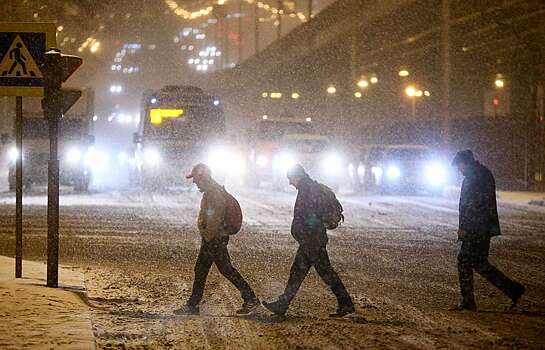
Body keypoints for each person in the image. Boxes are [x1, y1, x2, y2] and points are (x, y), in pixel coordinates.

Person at [263, 164, 355, 317]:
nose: (290, 183)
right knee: (314, 273)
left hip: (312, 241)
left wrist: (308, 232)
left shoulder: (308, 191)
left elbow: (311, 216)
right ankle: (345, 303)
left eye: (290, 179)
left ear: (297, 177)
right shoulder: (309, 188)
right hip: (312, 240)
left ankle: (283, 304)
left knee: (305, 273)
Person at [174, 163, 259, 315]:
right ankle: (249, 298)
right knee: (214, 269)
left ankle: (250, 298)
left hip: (214, 239)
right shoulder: (211, 192)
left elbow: (214, 218)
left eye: (195, 179)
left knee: (213, 269)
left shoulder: (214, 193)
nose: (194, 182)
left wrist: (207, 237)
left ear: (202, 178)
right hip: (214, 238)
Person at [451, 150, 525, 311]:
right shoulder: (481, 174)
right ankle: (513, 289)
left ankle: (468, 302)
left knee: (464, 261)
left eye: (459, 166)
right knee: (479, 262)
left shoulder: (475, 178)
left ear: (465, 163)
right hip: (483, 226)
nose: (459, 170)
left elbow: (472, 206)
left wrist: (464, 227)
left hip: (476, 228)